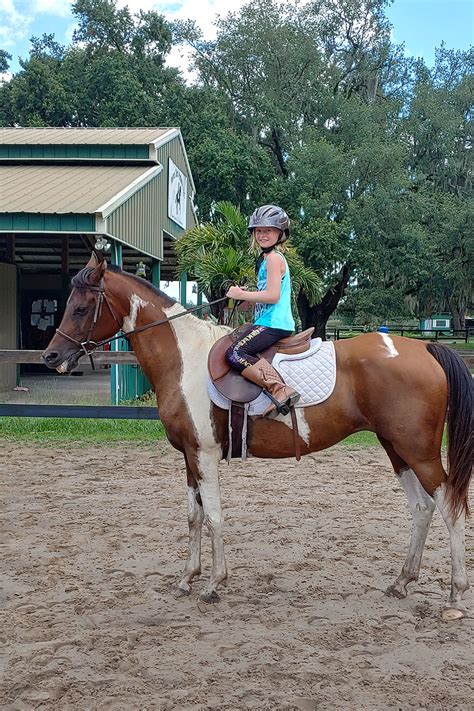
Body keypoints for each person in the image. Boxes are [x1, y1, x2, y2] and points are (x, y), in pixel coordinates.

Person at [225, 204, 300, 417]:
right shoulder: (266, 259)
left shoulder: (275, 258)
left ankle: (278, 388)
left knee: (236, 352)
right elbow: (265, 293)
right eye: (258, 230)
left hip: (274, 323)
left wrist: (241, 295)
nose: (262, 234)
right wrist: (246, 293)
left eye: (268, 230)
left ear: (280, 233)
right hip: (267, 321)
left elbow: (273, 295)